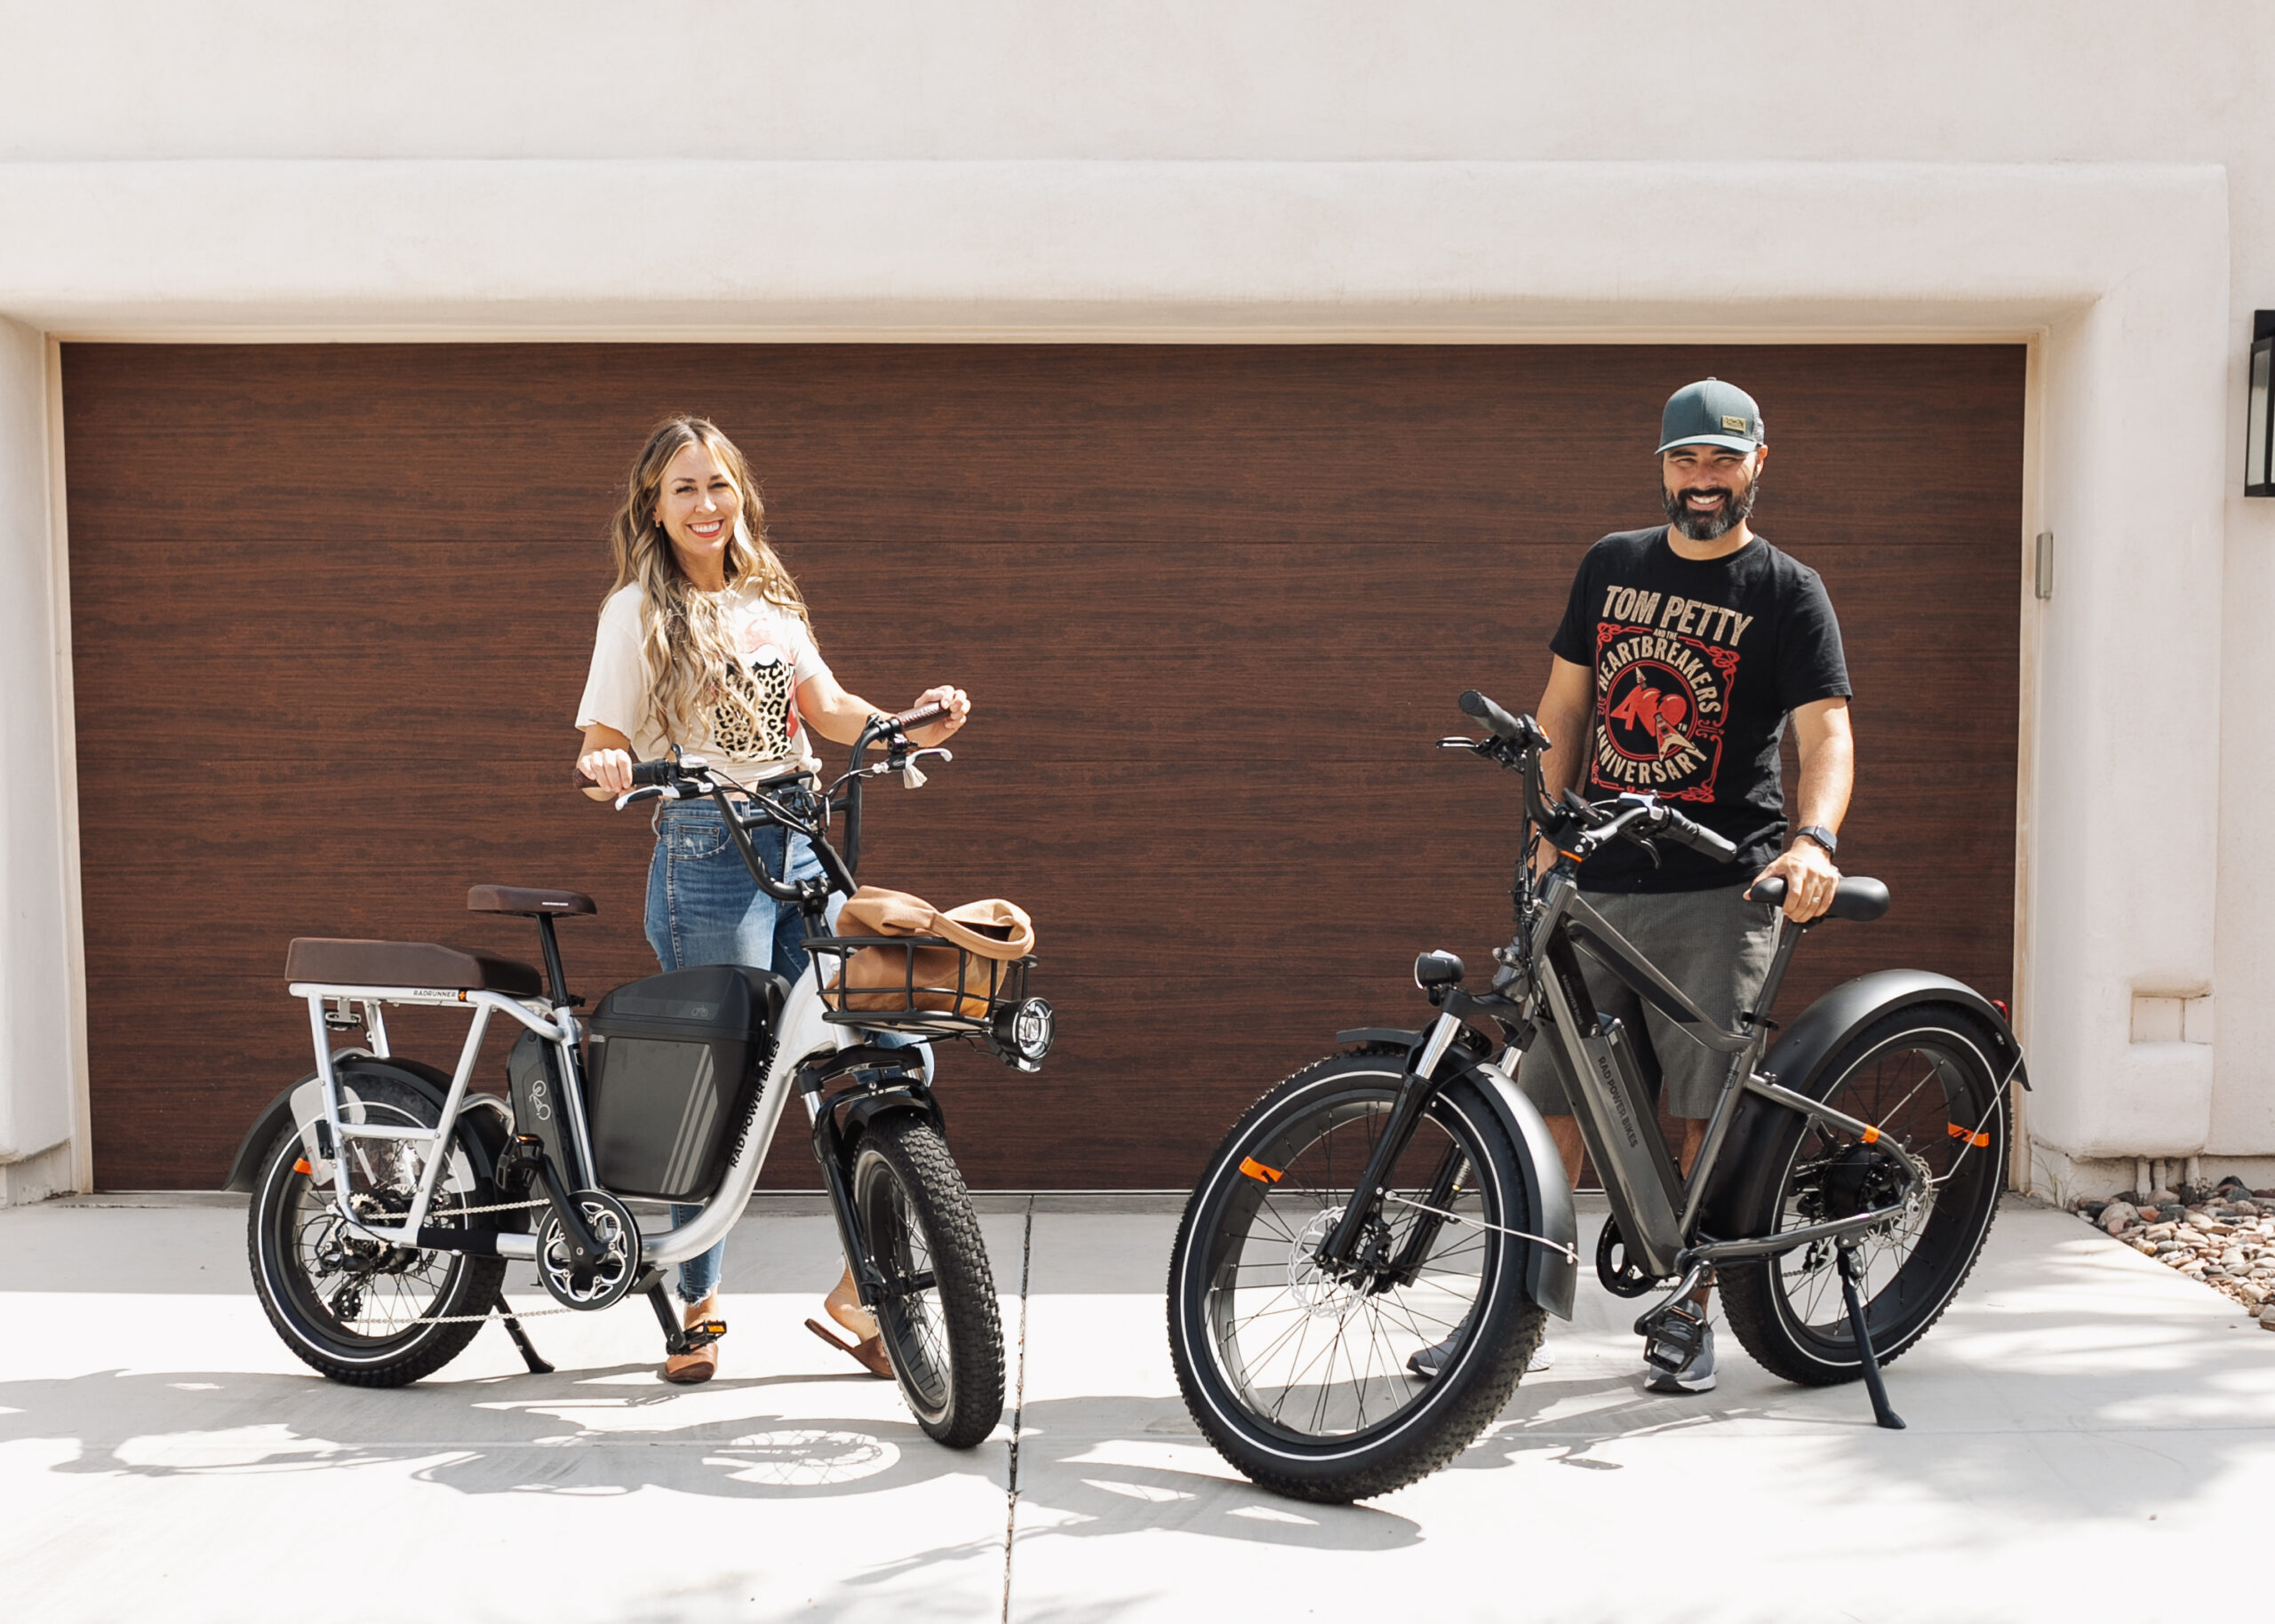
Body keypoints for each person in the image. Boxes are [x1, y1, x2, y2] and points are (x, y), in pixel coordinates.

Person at [1413, 378, 1854, 1394]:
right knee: (1546, 1105)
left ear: (1757, 463)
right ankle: (1503, 1323)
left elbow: (1823, 730)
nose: (1702, 482)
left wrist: (1814, 838)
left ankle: (1687, 1313)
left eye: (1721, 462)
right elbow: (1565, 705)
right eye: (1684, 461)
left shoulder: (1787, 590)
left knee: (1704, 1112)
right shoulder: (1611, 567)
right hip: (1596, 879)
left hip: (1720, 882)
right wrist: (1543, 841)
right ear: (1660, 465)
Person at [574, 414, 970, 1384]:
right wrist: (606, 760)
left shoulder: (769, 599)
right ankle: (695, 1299)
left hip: (801, 844)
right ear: (653, 509)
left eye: (718, 485)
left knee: (892, 1041)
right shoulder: (634, 610)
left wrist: (905, 725)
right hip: (707, 852)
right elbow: (597, 731)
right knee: (722, 1089)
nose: (705, 505)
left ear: (739, 493)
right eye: (683, 491)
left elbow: (826, 709)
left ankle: (861, 1294)